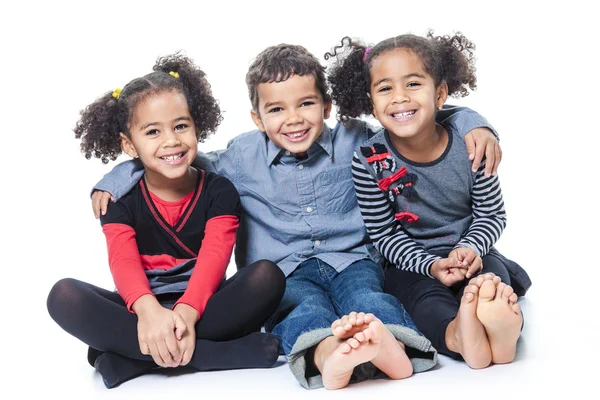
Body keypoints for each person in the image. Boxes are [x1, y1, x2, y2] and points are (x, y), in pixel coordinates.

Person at [90, 44, 502, 389]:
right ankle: (327, 355)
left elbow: (412, 120)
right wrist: (117, 175)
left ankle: (394, 346)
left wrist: (473, 121)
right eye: (276, 109)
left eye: (306, 104)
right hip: (286, 273)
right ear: (257, 118)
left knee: (370, 298)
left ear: (326, 106)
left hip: (352, 260)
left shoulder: (355, 140)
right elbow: (174, 157)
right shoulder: (239, 157)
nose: (293, 119)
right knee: (299, 310)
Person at [46, 53, 286, 389]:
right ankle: (210, 355)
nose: (171, 140)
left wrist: (186, 312)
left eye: (181, 126)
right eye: (153, 131)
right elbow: (123, 260)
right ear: (129, 145)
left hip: (203, 305)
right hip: (141, 307)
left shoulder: (218, 190)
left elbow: (215, 258)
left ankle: (129, 359)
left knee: (268, 277)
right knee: (63, 296)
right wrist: (149, 312)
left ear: (197, 127)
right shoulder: (118, 199)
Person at [325, 32, 530, 369]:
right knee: (422, 300)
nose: (399, 98)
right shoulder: (368, 159)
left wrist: (471, 248)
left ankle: (501, 330)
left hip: (471, 253)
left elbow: (491, 214)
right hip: (410, 263)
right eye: (385, 88)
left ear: (440, 93)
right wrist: (429, 265)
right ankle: (457, 336)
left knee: (490, 282)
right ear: (371, 101)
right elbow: (384, 235)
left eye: (413, 84)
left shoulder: (473, 145)